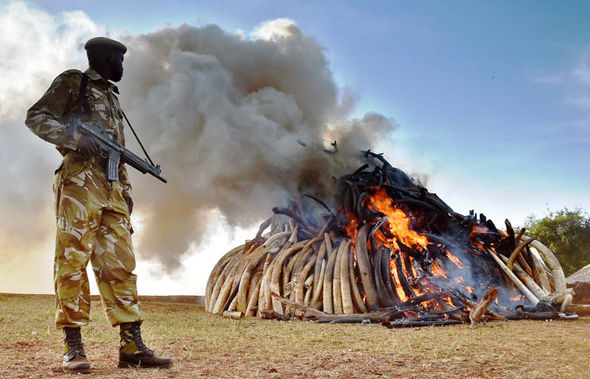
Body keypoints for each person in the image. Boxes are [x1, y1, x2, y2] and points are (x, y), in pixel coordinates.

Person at [25, 37, 171, 373]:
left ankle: (132, 347)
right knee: (72, 261)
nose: (123, 67)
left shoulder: (113, 98)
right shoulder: (74, 82)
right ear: (106, 59)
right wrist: (74, 138)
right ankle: (73, 346)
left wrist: (126, 189)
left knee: (121, 264)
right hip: (78, 183)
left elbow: (116, 151)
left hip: (111, 189)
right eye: (120, 60)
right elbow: (36, 117)